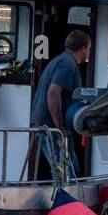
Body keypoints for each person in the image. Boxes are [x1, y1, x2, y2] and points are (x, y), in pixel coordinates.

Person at [32, 29, 91, 178]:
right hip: (51, 128)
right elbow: (53, 93)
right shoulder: (68, 64)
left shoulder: (61, 60)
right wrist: (59, 127)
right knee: (63, 175)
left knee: (71, 170)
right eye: (89, 48)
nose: (89, 52)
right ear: (83, 48)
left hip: (51, 126)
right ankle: (63, 200)